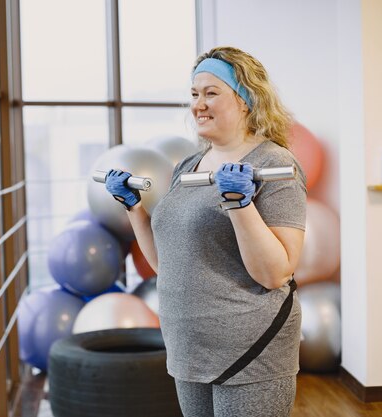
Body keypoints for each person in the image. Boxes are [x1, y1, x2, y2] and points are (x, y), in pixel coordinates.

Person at [104, 46, 307, 417]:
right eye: (194, 94)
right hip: (189, 351)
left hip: (250, 352)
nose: (199, 104)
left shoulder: (272, 163)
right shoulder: (189, 165)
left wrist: (239, 204)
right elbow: (168, 264)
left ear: (246, 100)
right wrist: (134, 207)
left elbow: (275, 272)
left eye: (211, 92)